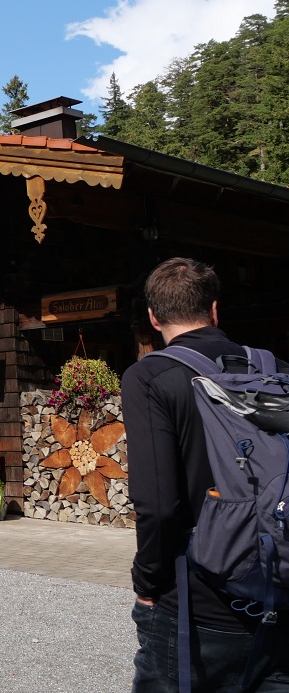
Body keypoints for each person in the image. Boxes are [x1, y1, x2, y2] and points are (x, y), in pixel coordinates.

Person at [125, 257, 289, 690]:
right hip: (281, 588)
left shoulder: (150, 376)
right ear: (215, 310)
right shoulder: (276, 371)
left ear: (153, 316)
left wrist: (147, 583)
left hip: (198, 602)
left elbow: (158, 506)